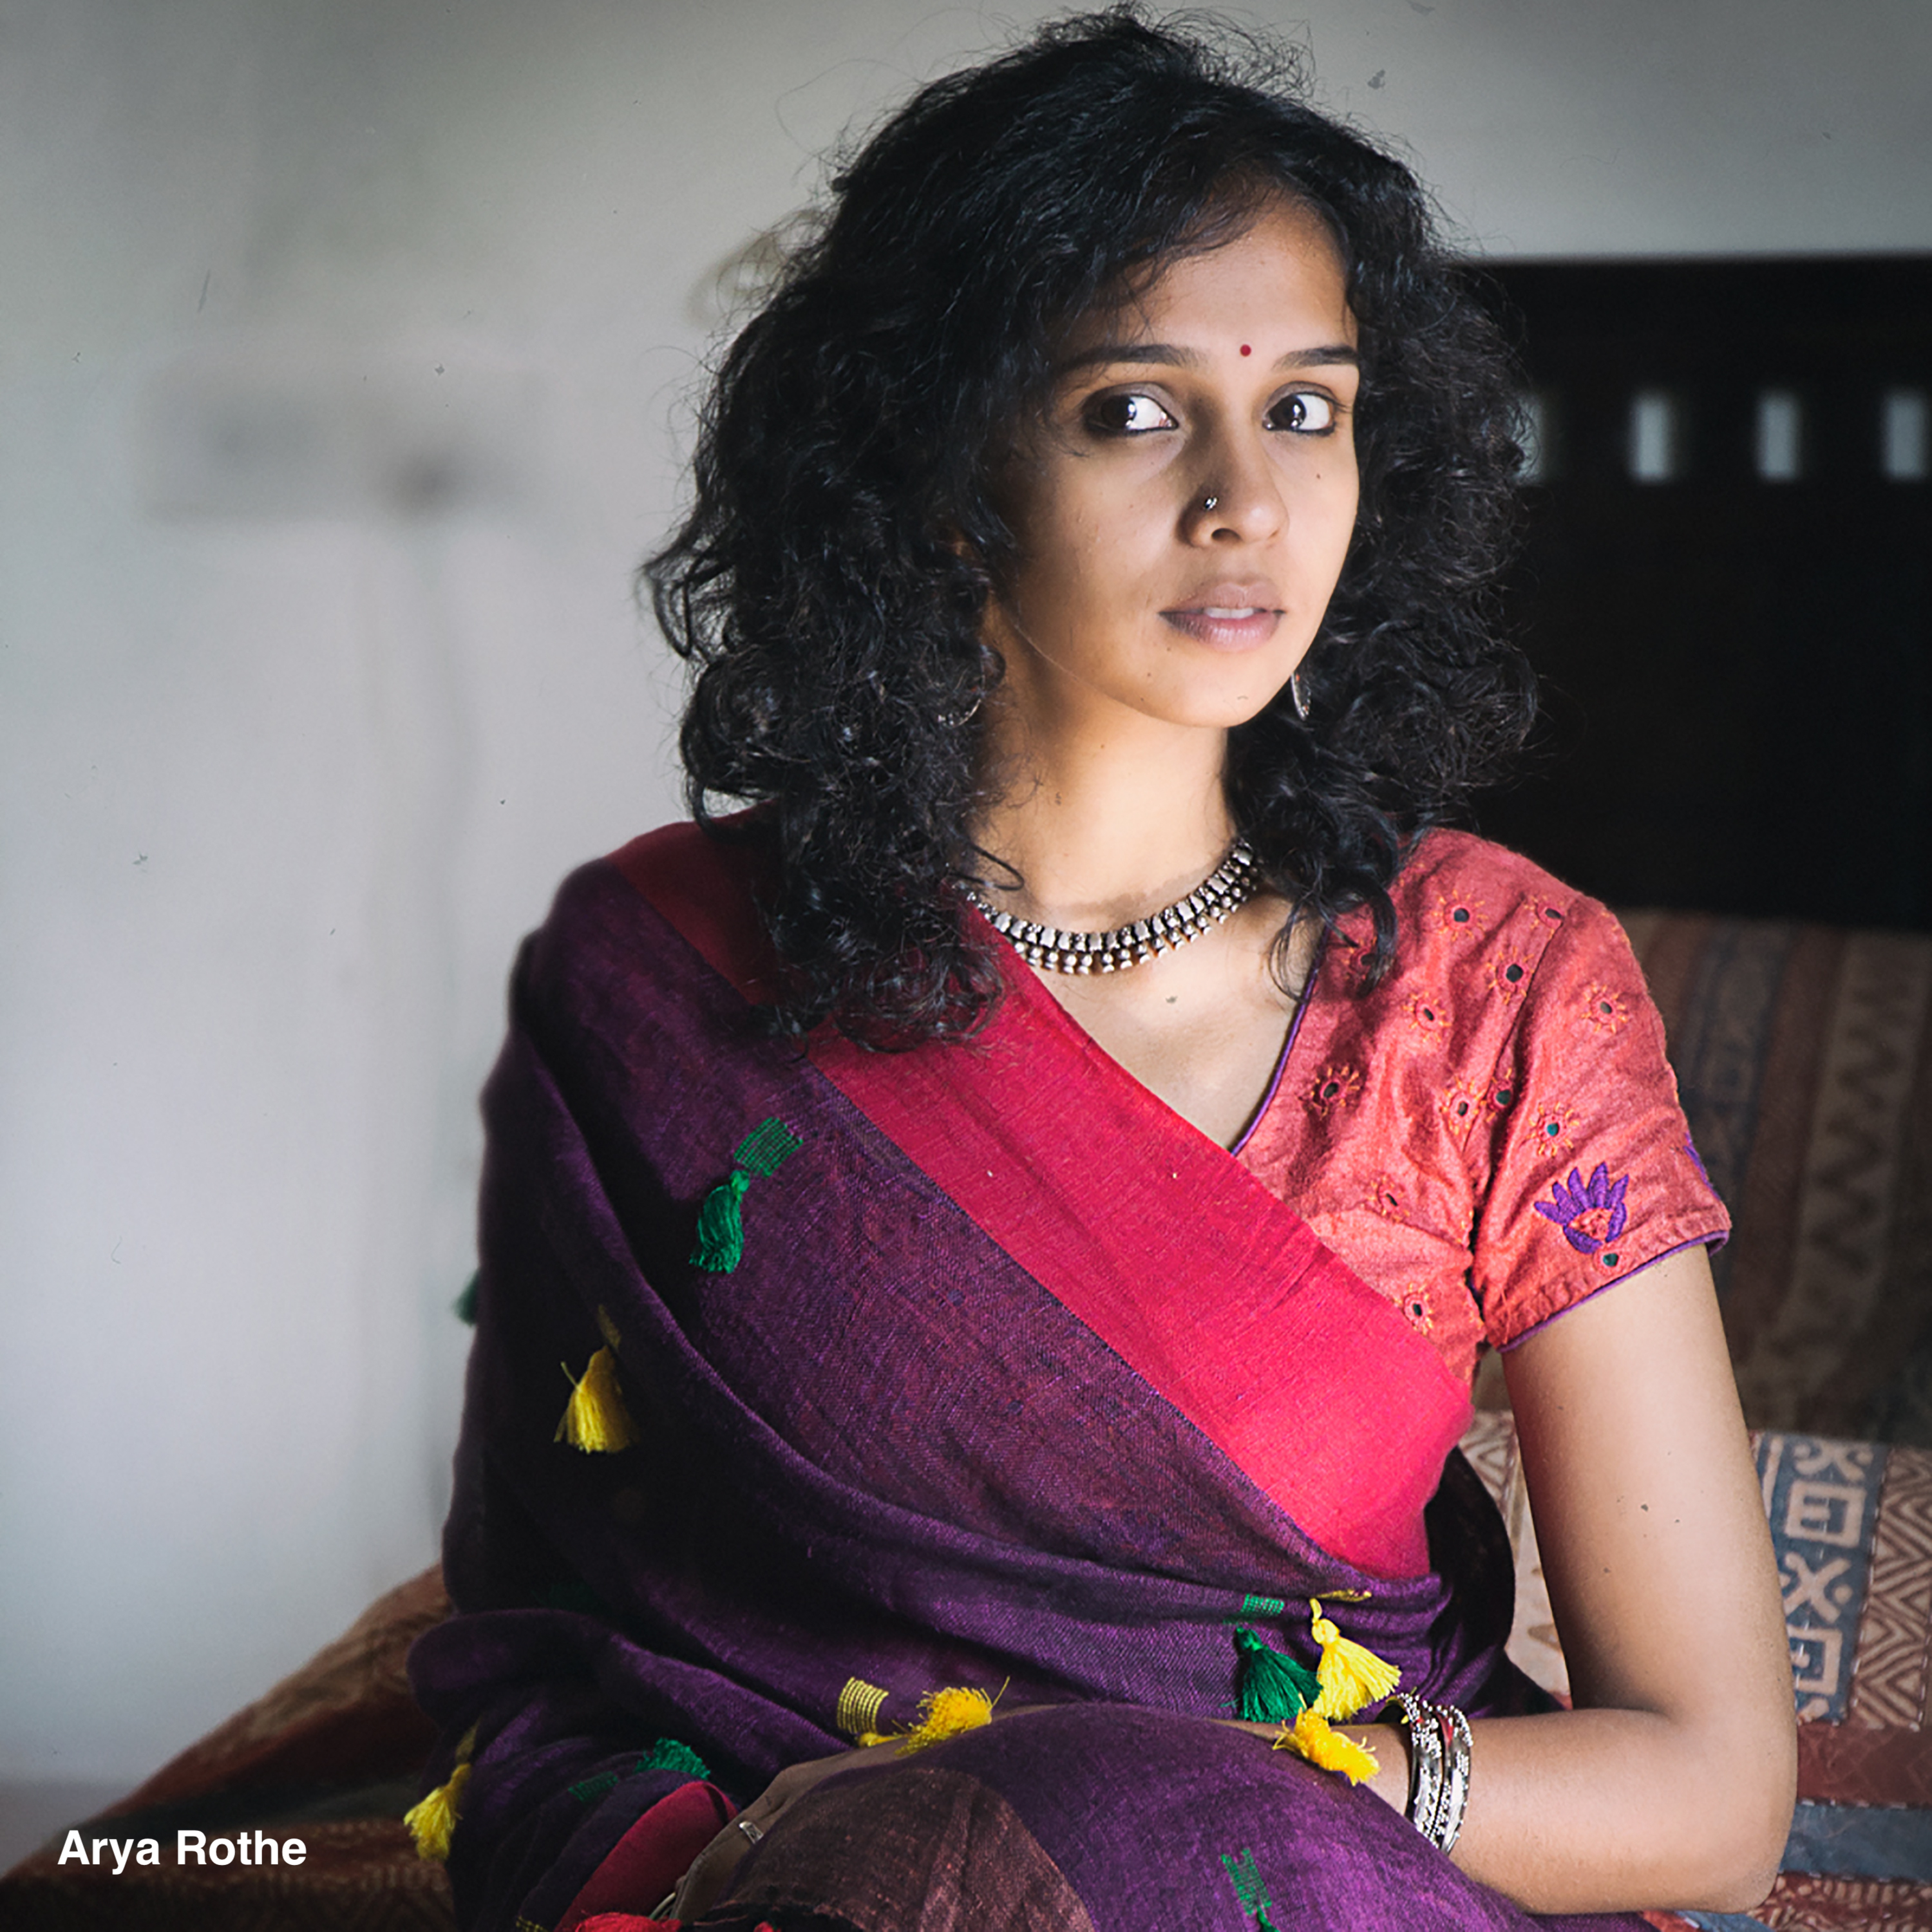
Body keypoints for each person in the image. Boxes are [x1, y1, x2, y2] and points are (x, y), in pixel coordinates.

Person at [407, 11, 1795, 1928]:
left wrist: (1198, 1811)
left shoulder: (1502, 987)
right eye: (1136, 410)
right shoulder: (657, 985)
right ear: (950, 468)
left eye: (1306, 406)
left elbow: (1713, 1798)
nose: (1248, 499)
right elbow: (546, 1657)